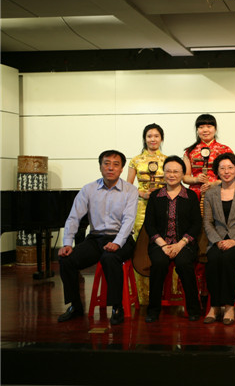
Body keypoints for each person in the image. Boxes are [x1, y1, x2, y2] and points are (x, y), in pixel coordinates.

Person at [57, 150, 138, 326]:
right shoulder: (89, 189)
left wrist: (117, 243)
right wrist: (67, 243)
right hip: (95, 238)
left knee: (110, 258)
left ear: (122, 169)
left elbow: (129, 221)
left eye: (116, 164)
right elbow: (73, 217)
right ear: (100, 167)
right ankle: (75, 306)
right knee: (66, 259)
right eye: (106, 163)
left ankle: (117, 307)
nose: (111, 168)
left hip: (122, 238)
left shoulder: (130, 190)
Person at [143, 156, 202, 322]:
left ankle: (193, 309)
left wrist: (180, 244)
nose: (172, 175)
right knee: (159, 263)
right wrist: (163, 245)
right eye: (168, 171)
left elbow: (196, 224)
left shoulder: (191, 196)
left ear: (183, 174)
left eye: (176, 171)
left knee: (184, 263)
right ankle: (153, 310)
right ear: (163, 173)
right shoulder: (155, 196)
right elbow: (149, 224)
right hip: (160, 244)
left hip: (184, 243)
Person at [203, 153, 235, 325]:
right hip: (216, 240)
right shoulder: (211, 193)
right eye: (222, 168)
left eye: (230, 168)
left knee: (227, 259)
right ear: (217, 171)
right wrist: (217, 241)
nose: (226, 171)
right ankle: (215, 306)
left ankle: (228, 305)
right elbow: (207, 222)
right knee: (213, 258)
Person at [127, 123, 167, 304]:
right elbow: (128, 187)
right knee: (141, 246)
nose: (153, 139)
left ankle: (165, 292)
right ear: (145, 138)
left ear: (161, 139)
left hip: (163, 206)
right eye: (149, 136)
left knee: (163, 244)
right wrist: (142, 193)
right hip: (142, 207)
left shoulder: (167, 160)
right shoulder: (135, 160)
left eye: (156, 136)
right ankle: (141, 294)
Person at [183, 114, 233, 199]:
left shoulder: (225, 150)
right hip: (196, 193)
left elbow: (232, 175)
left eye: (209, 126)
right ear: (197, 130)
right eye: (201, 127)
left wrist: (214, 183)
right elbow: (185, 177)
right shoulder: (189, 152)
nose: (205, 130)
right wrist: (196, 179)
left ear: (215, 129)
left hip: (220, 190)